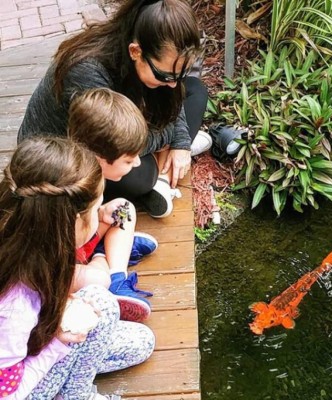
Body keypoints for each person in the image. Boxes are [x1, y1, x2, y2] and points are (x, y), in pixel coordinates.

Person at [17, 0, 211, 219]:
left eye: (179, 75)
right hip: (64, 160)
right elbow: (115, 146)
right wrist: (169, 138)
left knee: (196, 92)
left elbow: (173, 100)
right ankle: (161, 173)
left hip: (119, 131)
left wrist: (181, 143)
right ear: (136, 51)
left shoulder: (151, 63)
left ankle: (163, 174)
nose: (174, 84)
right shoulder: (88, 72)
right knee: (135, 175)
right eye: (165, 75)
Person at [0, 137, 155, 399]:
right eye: (96, 209)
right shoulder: (16, 306)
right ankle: (77, 394)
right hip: (19, 388)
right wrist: (57, 343)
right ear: (73, 223)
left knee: (140, 342)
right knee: (101, 302)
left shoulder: (30, 244)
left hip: (29, 343)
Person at [68, 87, 157, 322]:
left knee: (123, 209)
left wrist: (102, 212)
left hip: (83, 239)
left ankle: (117, 272)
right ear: (99, 157)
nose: (138, 163)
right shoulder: (69, 188)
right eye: (128, 159)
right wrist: (96, 262)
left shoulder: (91, 175)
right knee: (97, 280)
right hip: (63, 260)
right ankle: (109, 261)